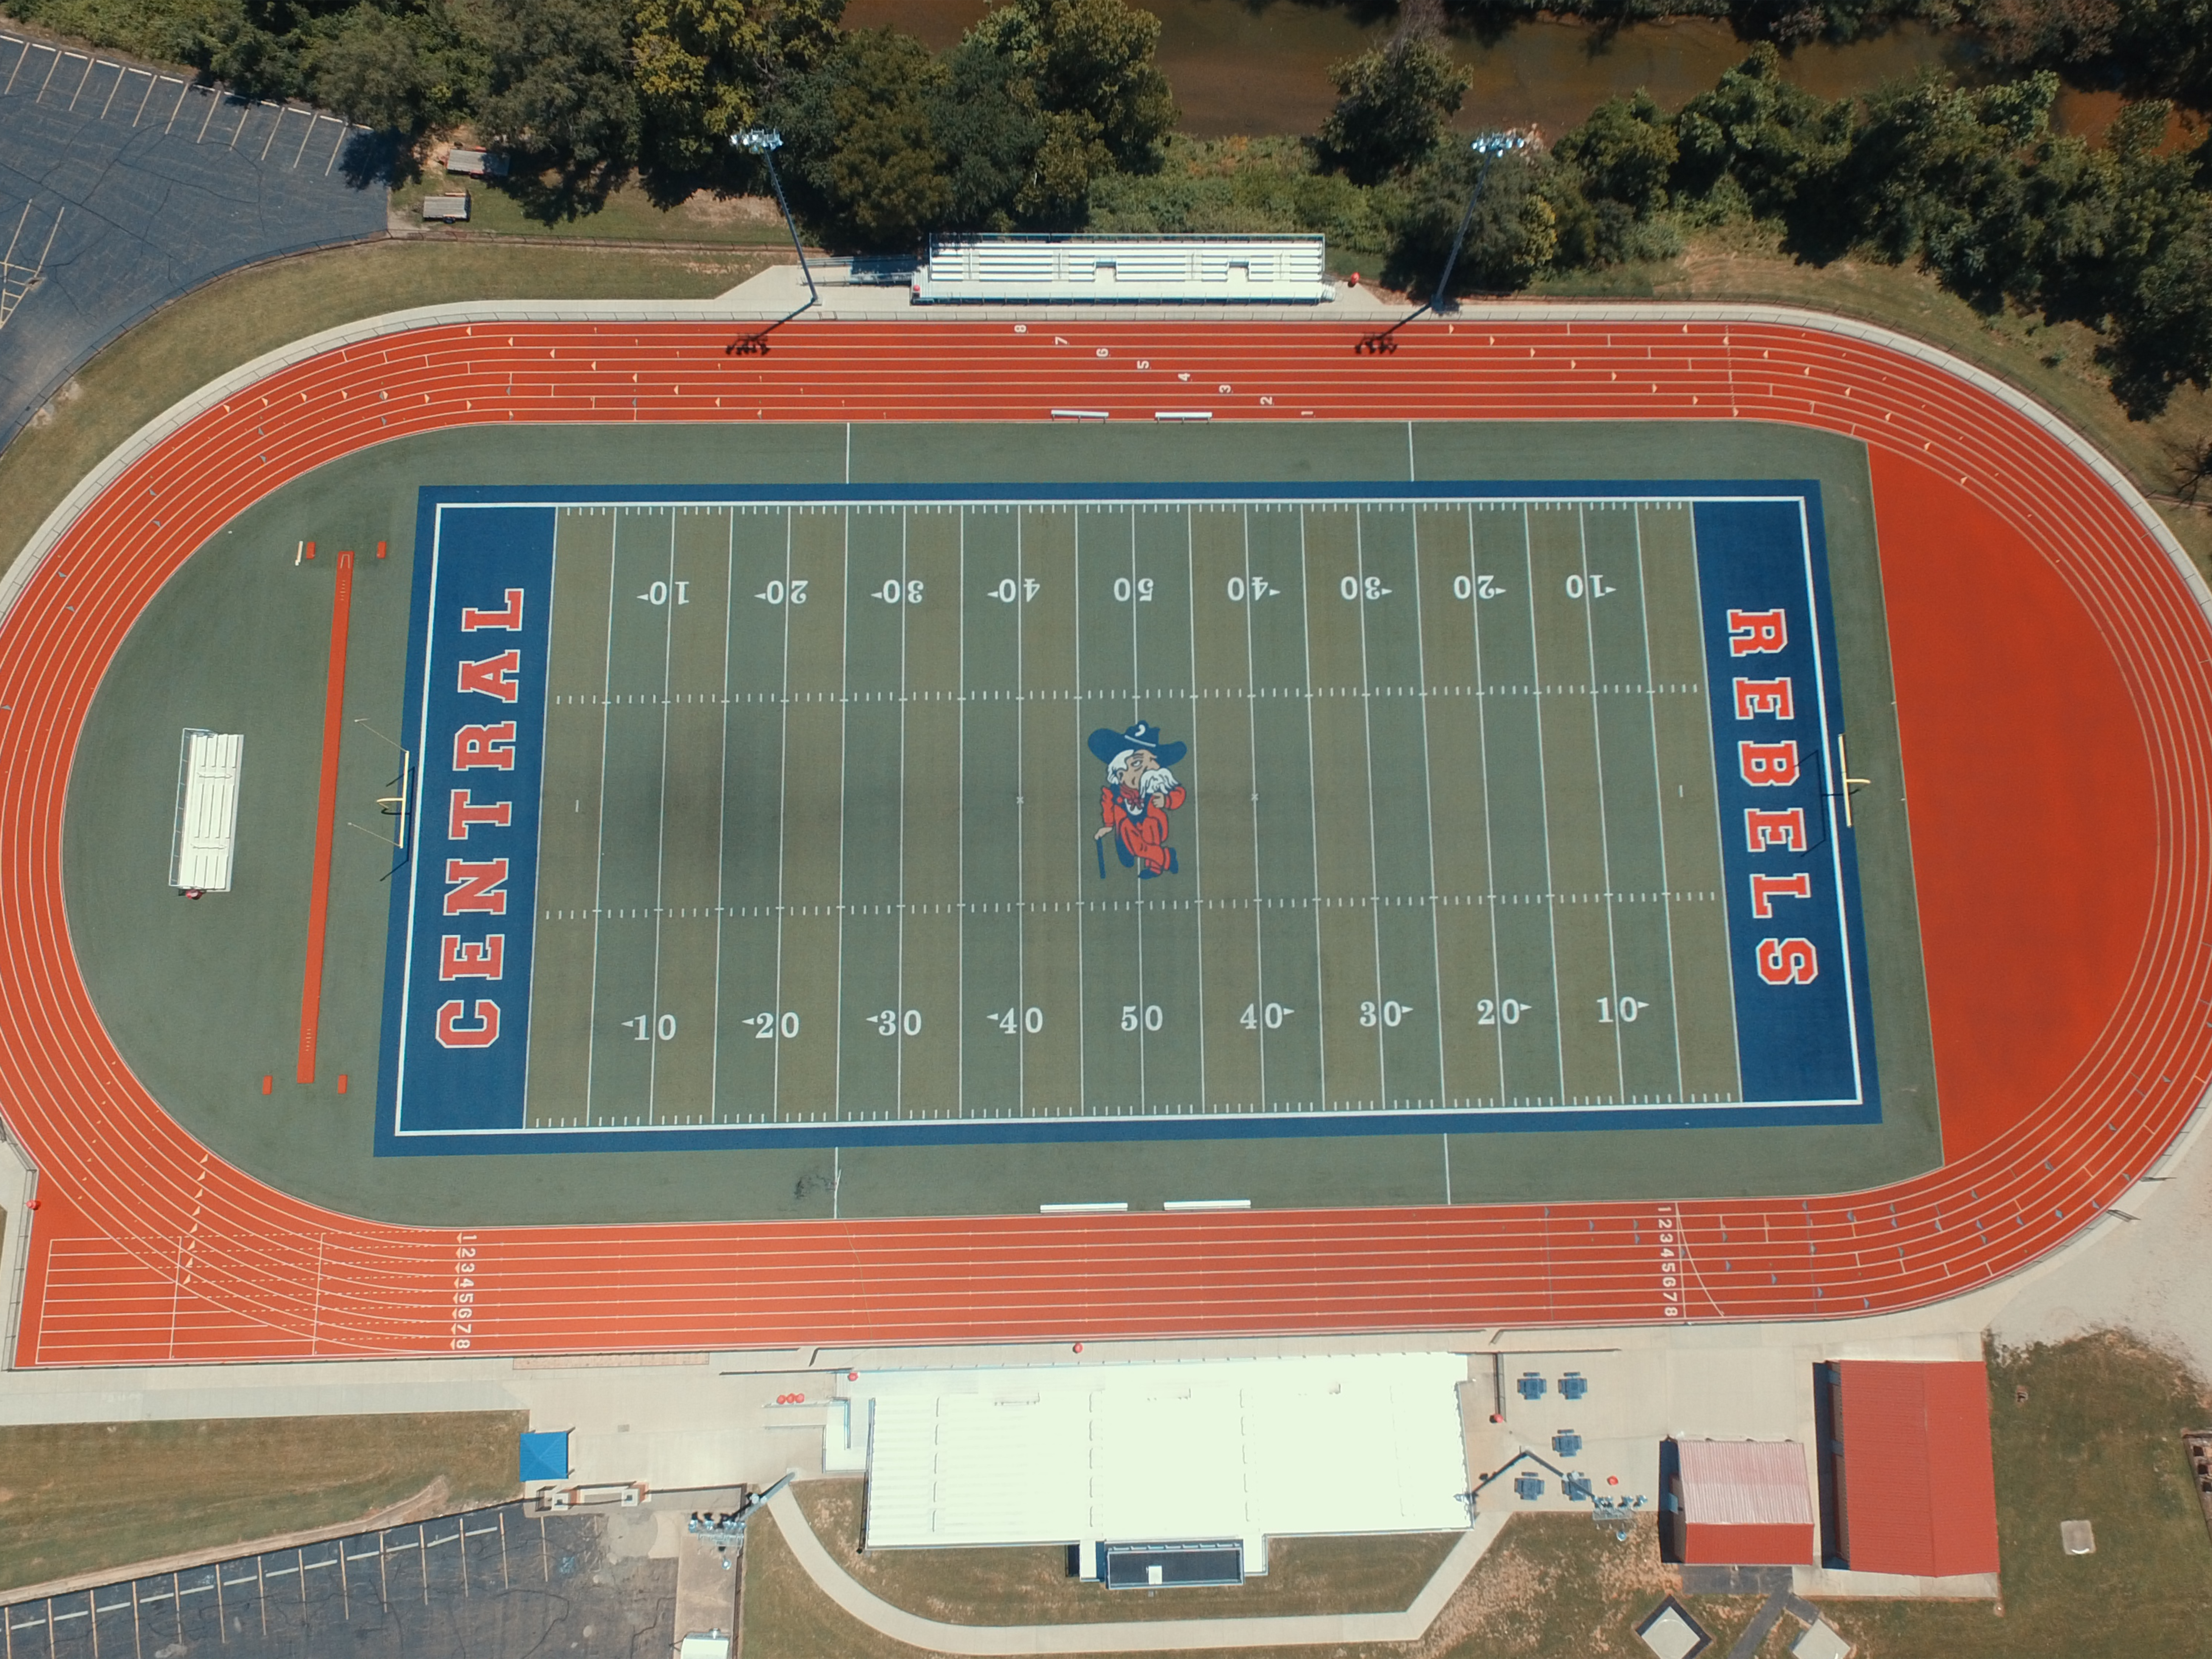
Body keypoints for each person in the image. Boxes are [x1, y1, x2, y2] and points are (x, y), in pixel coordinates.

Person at [1086, 720, 1187, 878]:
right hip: (1128, 828)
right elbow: (1108, 805)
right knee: (1134, 842)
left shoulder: (1156, 784)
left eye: (1150, 761)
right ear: (1120, 774)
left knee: (1150, 830)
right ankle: (1166, 858)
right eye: (1137, 763)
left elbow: (1179, 793)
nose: (1148, 769)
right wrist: (1108, 825)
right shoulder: (1116, 792)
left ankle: (1156, 866)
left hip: (1154, 825)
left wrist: (1167, 801)